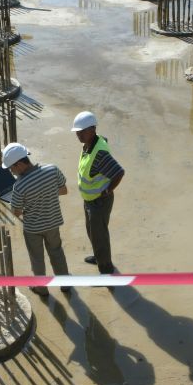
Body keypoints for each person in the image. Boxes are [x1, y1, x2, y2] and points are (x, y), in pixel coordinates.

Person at [2, 142, 71, 296]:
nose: (12, 172)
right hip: (53, 222)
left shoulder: (19, 186)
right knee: (57, 252)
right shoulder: (52, 169)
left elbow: (17, 212)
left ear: (19, 164)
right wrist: (45, 194)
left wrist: (18, 201)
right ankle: (65, 284)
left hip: (33, 229)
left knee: (37, 259)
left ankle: (41, 288)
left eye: (12, 168)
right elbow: (64, 190)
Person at [72, 111, 124, 275]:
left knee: (99, 236)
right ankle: (98, 256)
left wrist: (107, 191)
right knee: (92, 231)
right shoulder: (88, 145)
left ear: (93, 129)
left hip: (99, 201)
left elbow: (119, 172)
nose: (79, 135)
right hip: (89, 199)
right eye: (77, 132)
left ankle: (106, 270)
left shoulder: (99, 153)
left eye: (82, 131)